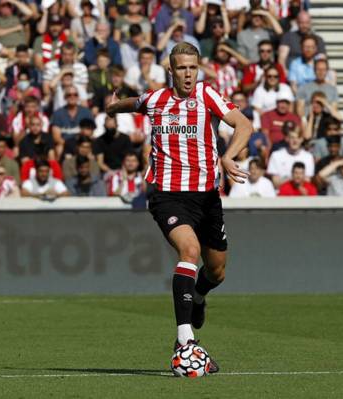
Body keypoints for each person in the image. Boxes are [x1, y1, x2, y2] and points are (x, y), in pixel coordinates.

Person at [106, 42, 253, 369]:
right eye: (181, 68)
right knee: (188, 250)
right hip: (167, 195)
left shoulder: (208, 96)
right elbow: (136, 103)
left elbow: (244, 126)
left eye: (192, 67)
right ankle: (185, 339)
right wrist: (113, 108)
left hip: (206, 197)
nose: (188, 74)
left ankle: (199, 296)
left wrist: (227, 156)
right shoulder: (157, 99)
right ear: (171, 70)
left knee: (217, 270)